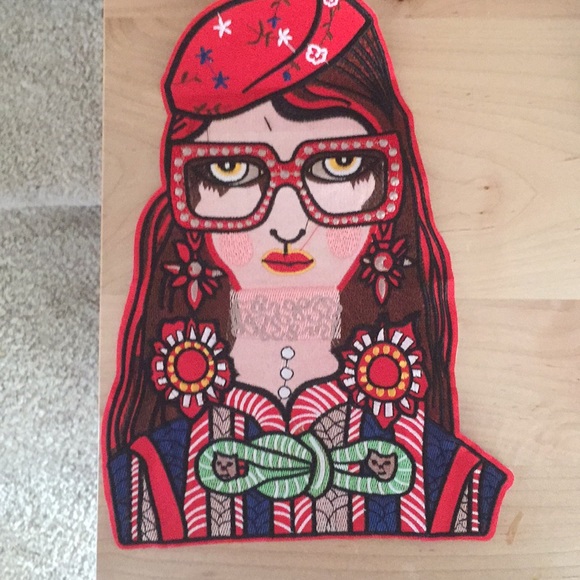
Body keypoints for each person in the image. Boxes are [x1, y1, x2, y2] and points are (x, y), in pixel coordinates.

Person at [102, 0, 512, 546]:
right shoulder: (146, 487)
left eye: (338, 164)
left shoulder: (455, 488)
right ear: (187, 193)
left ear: (392, 184)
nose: (287, 223)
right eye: (231, 169)